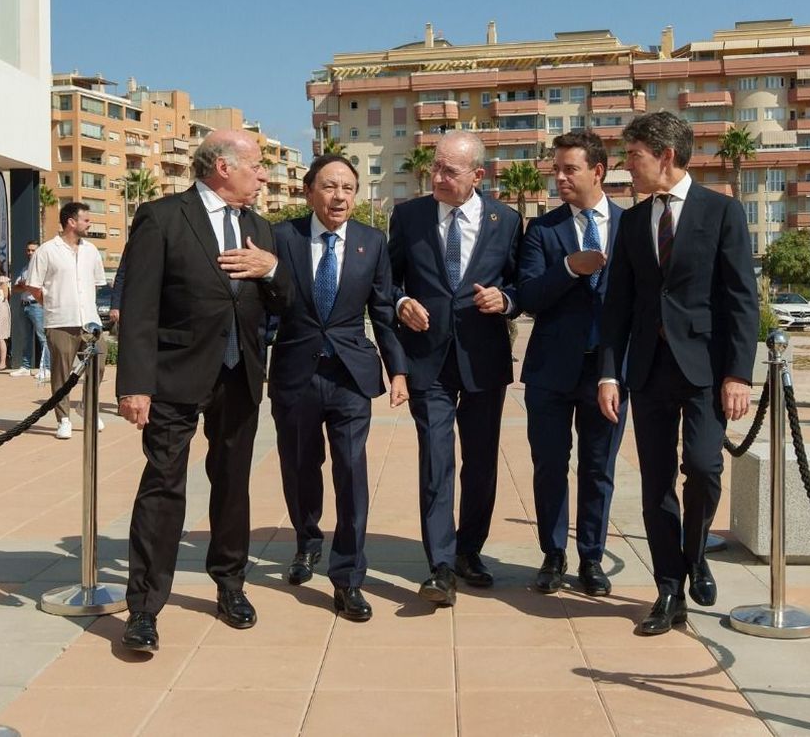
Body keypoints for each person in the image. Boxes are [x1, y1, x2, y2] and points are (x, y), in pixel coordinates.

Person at [116, 130, 289, 649]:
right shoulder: (163, 216)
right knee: (163, 486)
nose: (263, 176)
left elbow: (284, 302)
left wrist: (272, 269)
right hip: (175, 376)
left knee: (233, 484)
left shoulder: (261, 228)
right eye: (256, 167)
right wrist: (135, 384)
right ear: (222, 167)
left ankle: (230, 584)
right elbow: (139, 305)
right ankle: (144, 608)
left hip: (240, 376)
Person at [597, 112, 757, 636]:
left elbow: (740, 301)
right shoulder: (632, 221)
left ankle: (696, 551)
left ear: (665, 156)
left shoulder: (723, 212)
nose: (626, 166)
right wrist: (608, 374)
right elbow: (617, 304)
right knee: (655, 481)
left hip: (707, 371)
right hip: (647, 371)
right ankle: (669, 588)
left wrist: (738, 374)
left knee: (706, 469)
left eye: (634, 155)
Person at [268, 154, 408, 622]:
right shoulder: (282, 237)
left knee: (351, 472)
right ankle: (307, 541)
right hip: (295, 375)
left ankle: (348, 577)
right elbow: (266, 304)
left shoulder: (372, 242)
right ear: (309, 191)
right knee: (300, 467)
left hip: (351, 376)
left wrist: (398, 370)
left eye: (348, 188)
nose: (339, 196)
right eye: (329, 187)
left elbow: (384, 312)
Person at [389, 130, 523, 607]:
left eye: (450, 170)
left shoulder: (506, 221)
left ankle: (470, 550)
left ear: (478, 175)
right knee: (436, 461)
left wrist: (505, 299)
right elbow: (389, 278)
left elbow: (519, 282)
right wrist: (402, 300)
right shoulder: (408, 216)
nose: (438, 177)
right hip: (429, 361)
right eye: (435, 168)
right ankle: (440, 565)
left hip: (484, 361)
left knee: (481, 463)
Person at [516, 130, 626, 597]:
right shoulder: (542, 230)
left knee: (599, 468)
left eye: (569, 169)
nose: (558, 177)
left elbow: (634, 304)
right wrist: (568, 269)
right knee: (549, 465)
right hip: (550, 371)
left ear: (597, 171)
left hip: (608, 372)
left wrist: (614, 370)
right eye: (555, 169)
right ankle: (553, 554)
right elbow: (528, 296)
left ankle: (592, 559)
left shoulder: (631, 225)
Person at [23, 203, 107, 439]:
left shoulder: (91, 250)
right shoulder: (47, 250)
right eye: (86, 220)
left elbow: (97, 283)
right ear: (71, 222)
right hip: (59, 321)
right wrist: (51, 304)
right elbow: (33, 285)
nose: (89, 223)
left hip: (90, 322)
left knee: (98, 364)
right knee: (61, 372)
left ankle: (87, 408)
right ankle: (64, 418)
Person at [12, 240, 49, 380]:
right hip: (24, 304)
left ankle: (46, 367)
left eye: (33, 250)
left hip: (37, 304)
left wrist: (26, 285)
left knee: (42, 337)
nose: (30, 253)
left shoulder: (43, 268)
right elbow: (15, 288)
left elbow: (40, 287)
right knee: (25, 337)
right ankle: (25, 367)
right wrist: (27, 285)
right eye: (28, 250)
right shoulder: (25, 268)